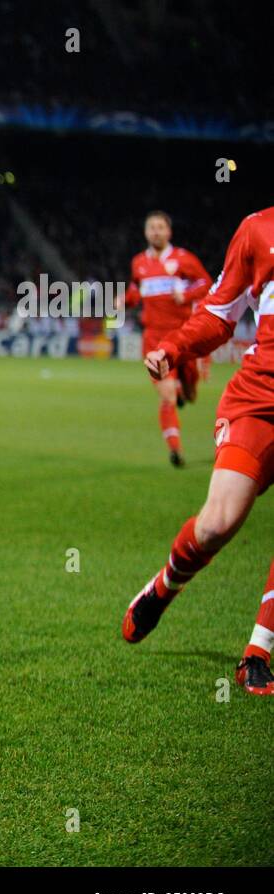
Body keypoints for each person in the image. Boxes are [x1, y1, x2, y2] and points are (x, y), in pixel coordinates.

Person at [122, 207, 274, 695]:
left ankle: (257, 653)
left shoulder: (184, 259)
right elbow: (219, 311)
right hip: (260, 401)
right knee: (217, 524)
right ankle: (165, 585)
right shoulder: (258, 229)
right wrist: (176, 347)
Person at [120, 211, 212, 467]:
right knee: (167, 396)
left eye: (160, 227)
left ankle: (184, 389)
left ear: (169, 232)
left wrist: (188, 294)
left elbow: (207, 283)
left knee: (190, 394)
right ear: (146, 232)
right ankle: (175, 449)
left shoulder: (184, 259)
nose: (156, 232)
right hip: (154, 340)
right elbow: (136, 290)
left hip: (184, 337)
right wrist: (124, 301)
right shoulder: (139, 262)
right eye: (152, 227)